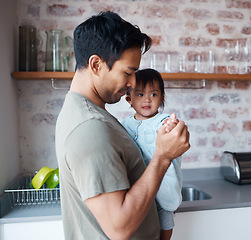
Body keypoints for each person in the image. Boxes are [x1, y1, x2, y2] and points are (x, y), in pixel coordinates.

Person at [55, 11, 190, 240]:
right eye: (128, 72)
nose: (133, 83)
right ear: (96, 64)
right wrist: (163, 157)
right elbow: (119, 228)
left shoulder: (86, 112)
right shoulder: (90, 128)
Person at [121, 69, 182, 240]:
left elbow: (171, 132)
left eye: (153, 94)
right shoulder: (123, 125)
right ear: (129, 99)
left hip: (162, 186)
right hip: (136, 188)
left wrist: (171, 127)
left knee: (165, 218)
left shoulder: (163, 122)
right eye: (140, 94)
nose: (147, 99)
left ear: (162, 97)